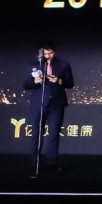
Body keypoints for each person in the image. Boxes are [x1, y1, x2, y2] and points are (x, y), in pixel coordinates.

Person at [23, 41, 74, 175]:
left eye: (50, 53)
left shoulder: (63, 65)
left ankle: (52, 162)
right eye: (45, 53)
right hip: (38, 104)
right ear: (41, 53)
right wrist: (35, 81)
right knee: (36, 135)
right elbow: (26, 84)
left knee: (54, 135)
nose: (48, 56)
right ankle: (34, 163)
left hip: (56, 104)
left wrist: (59, 80)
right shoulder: (34, 64)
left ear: (54, 52)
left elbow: (70, 83)